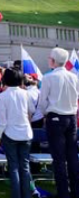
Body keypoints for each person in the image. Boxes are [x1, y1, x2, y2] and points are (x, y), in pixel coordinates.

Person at [38, 48, 79, 198]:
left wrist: (44, 114)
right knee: (72, 156)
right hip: (71, 117)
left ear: (53, 60)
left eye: (50, 58)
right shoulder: (74, 77)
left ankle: (63, 193)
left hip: (55, 118)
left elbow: (42, 102)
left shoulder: (48, 78)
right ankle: (76, 191)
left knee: (59, 158)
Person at [0, 68, 34, 198]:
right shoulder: (26, 93)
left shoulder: (2, 96)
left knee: (13, 167)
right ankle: (27, 195)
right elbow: (31, 112)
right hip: (25, 132)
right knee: (24, 166)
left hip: (10, 133)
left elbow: (2, 120)